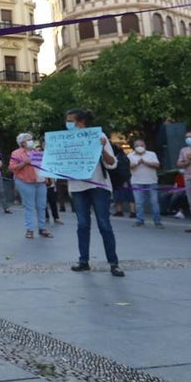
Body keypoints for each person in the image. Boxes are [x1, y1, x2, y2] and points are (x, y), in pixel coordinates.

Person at [65, 108, 123, 276]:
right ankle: (84, 261)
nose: (68, 124)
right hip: (77, 187)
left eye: (70, 120)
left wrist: (102, 149)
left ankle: (114, 262)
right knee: (82, 224)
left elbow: (112, 163)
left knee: (104, 224)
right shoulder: (65, 140)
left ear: (81, 122)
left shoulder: (99, 136)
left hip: (99, 186)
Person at [10, 132, 50, 239]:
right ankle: (30, 230)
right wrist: (24, 162)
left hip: (40, 181)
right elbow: (12, 168)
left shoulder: (37, 151)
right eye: (28, 139)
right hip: (25, 181)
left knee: (42, 206)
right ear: (22, 142)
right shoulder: (16, 153)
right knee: (29, 206)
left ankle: (42, 228)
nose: (31, 141)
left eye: (31, 139)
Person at [128, 138, 163, 228]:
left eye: (141, 145)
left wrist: (146, 162)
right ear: (134, 147)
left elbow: (157, 165)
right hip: (136, 181)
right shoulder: (130, 155)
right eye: (137, 146)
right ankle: (140, 220)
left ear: (145, 146)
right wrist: (137, 163)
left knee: (154, 202)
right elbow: (128, 166)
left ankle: (157, 221)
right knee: (139, 202)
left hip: (151, 181)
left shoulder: (151, 154)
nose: (139, 147)